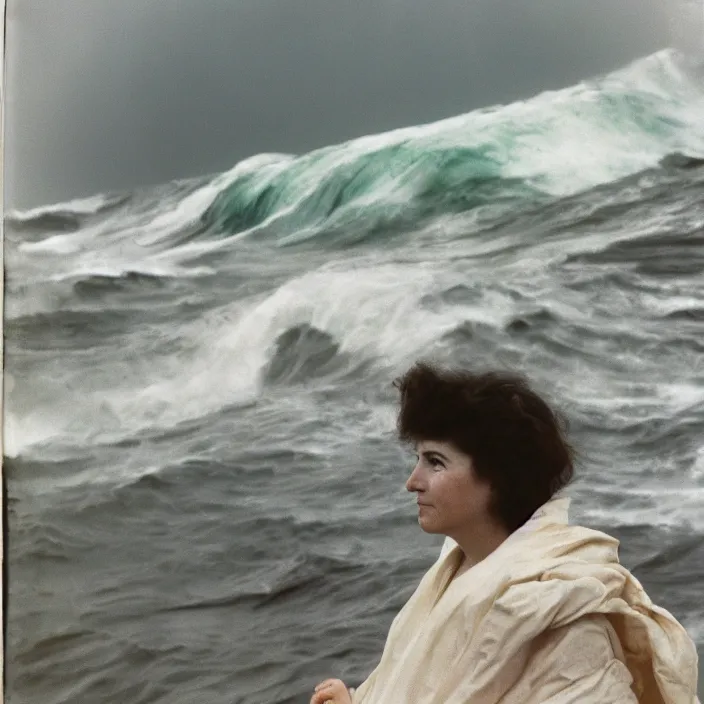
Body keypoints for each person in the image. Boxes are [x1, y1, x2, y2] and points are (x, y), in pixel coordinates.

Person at [310, 362, 700, 704]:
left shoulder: (561, 610)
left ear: (497, 478)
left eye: (435, 462)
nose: (412, 482)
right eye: (418, 459)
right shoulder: (455, 568)